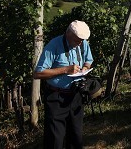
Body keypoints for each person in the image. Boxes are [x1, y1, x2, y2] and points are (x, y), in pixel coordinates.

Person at [34, 20, 94, 149]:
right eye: (77, 40)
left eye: (82, 40)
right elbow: (38, 74)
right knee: (55, 138)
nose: (80, 43)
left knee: (76, 135)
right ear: (68, 34)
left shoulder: (83, 43)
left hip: (76, 95)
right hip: (57, 97)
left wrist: (85, 68)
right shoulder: (54, 45)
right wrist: (65, 69)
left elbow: (88, 60)